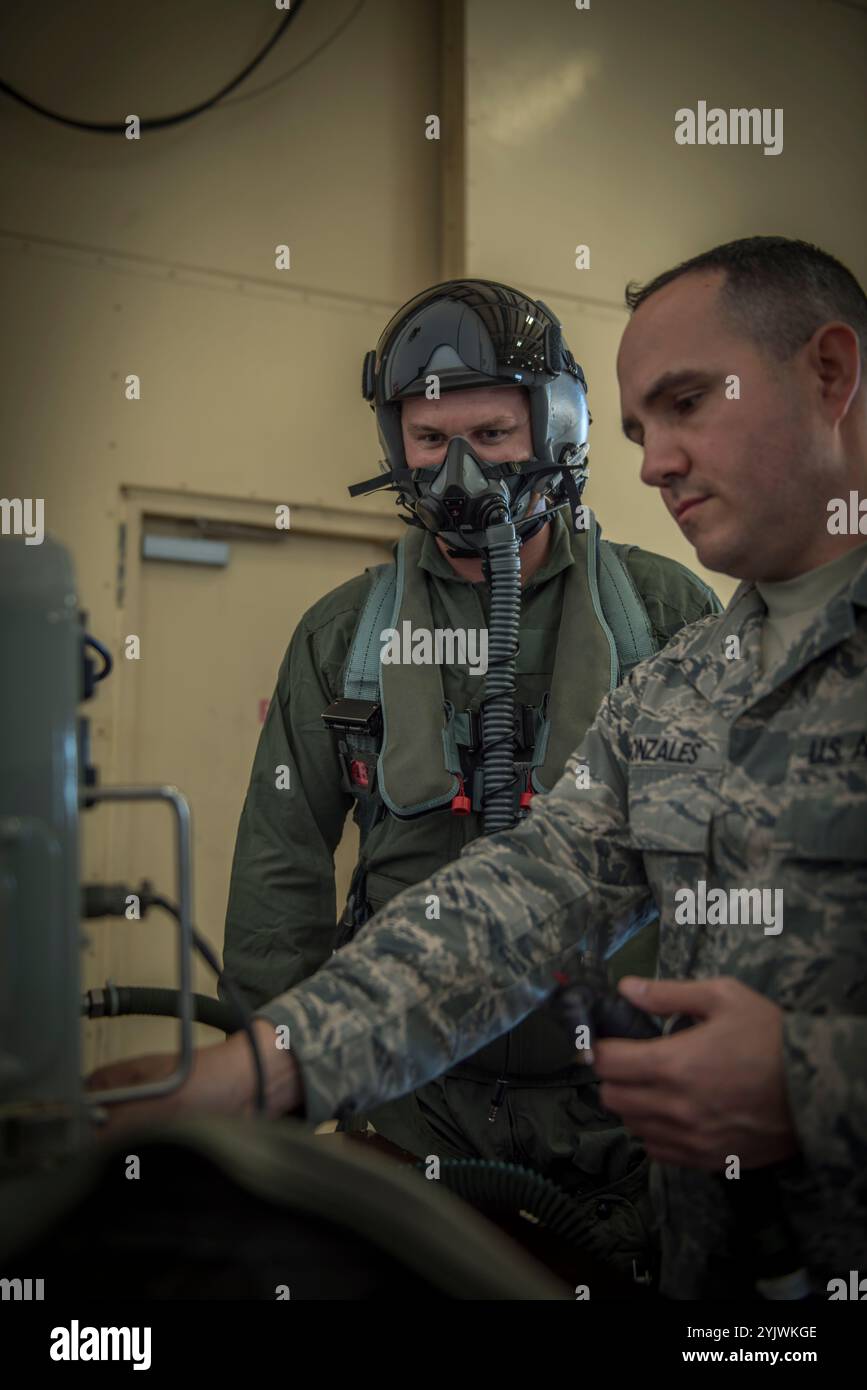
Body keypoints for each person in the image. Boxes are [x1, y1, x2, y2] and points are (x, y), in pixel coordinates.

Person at [90, 237, 867, 1299]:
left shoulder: (654, 612)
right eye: (645, 428)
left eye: (690, 404)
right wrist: (266, 1064)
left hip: (611, 1120)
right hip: (473, 1127)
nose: (656, 462)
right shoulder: (688, 679)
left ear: (831, 374)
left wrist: (814, 1084)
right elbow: (522, 898)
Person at [219, 279, 720, 1286]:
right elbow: (280, 873)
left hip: (618, 1110)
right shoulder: (340, 638)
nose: (455, 467)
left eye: (490, 430)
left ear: (558, 429)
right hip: (409, 1105)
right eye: (425, 436)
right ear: (392, 443)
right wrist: (271, 1097)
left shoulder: (667, 614)